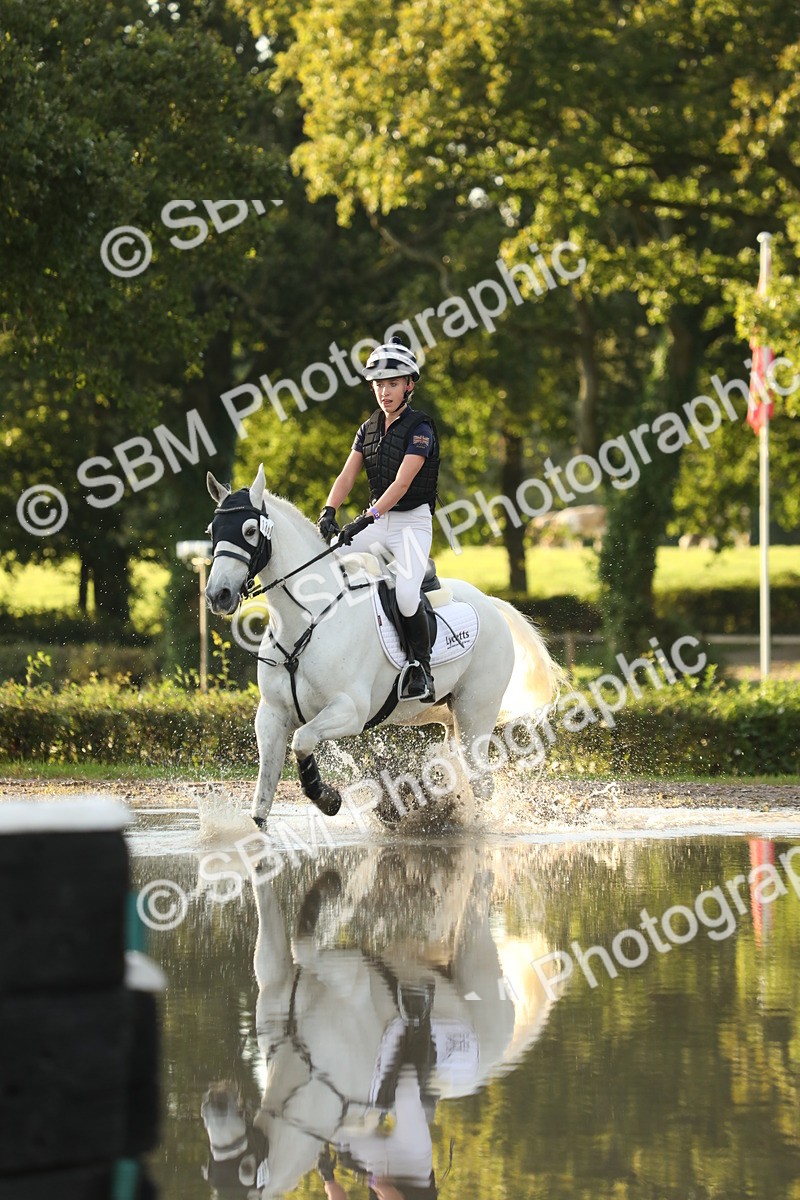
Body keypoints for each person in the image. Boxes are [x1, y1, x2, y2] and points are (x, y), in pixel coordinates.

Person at [317, 336, 440, 703]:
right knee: (327, 562)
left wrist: (365, 517)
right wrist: (328, 511)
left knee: (405, 595)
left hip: (411, 523)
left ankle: (422, 668)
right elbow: (347, 476)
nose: (384, 392)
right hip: (377, 521)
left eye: (393, 384)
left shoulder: (421, 429)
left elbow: (402, 484)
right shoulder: (367, 428)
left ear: (409, 385)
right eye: (379, 385)